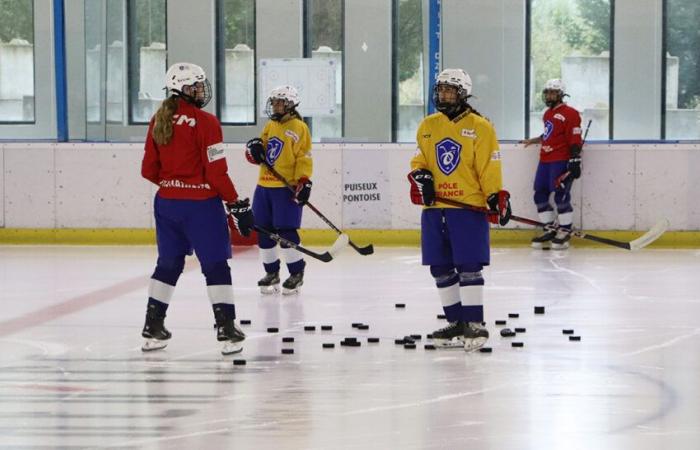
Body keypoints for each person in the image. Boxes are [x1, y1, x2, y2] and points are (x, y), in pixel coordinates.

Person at [140, 62, 254, 355]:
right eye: (196, 86)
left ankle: (153, 327)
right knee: (215, 265)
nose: (201, 91)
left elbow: (148, 170)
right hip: (202, 207)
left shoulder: (158, 119)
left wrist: (175, 184)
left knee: (168, 264)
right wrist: (235, 203)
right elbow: (217, 172)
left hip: (167, 204)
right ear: (182, 89)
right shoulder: (206, 122)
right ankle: (227, 329)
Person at [408, 68, 511, 352]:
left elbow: (489, 165)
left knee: (469, 265)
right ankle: (456, 322)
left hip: (467, 208)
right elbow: (420, 160)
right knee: (440, 267)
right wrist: (422, 176)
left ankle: (474, 323)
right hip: (435, 209)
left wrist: (494, 196)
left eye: (449, 91)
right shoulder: (428, 125)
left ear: (462, 94)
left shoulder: (481, 127)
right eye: (440, 90)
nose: (443, 95)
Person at [244, 85, 313, 295]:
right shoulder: (270, 125)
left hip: (285, 189)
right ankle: (271, 273)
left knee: (285, 232)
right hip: (263, 187)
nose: (275, 106)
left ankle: (296, 272)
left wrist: (304, 181)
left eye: (279, 102)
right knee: (263, 231)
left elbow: (304, 157)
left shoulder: (300, 127)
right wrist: (253, 149)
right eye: (273, 102)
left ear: (291, 104)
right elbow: (259, 154)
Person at [520, 78, 583, 250]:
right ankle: (550, 228)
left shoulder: (571, 113)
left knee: (560, 195)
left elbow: (575, 138)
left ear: (561, 94)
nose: (549, 95)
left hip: (560, 160)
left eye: (553, 92)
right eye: (547, 92)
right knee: (539, 194)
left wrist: (575, 160)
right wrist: (534, 140)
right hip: (545, 160)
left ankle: (565, 230)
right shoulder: (547, 113)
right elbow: (549, 134)